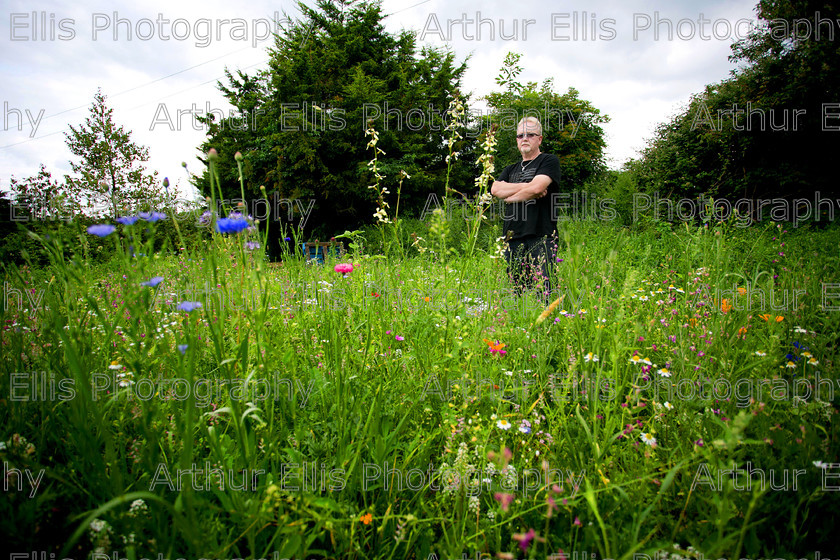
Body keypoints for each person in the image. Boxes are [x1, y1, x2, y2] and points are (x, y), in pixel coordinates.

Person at [490, 116, 561, 299]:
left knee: (543, 292)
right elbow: (495, 189)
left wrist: (510, 196)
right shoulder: (510, 169)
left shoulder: (548, 161)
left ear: (540, 139)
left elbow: (538, 187)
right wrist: (526, 188)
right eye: (520, 135)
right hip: (513, 237)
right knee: (518, 293)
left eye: (530, 134)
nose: (524, 138)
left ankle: (546, 326)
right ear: (516, 140)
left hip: (542, 236)